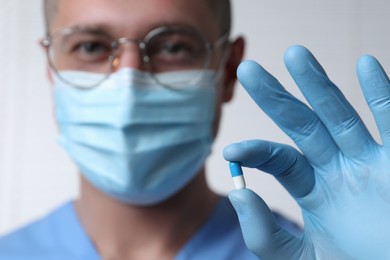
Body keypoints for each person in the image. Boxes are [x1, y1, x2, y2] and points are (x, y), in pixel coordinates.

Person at [0, 0, 300, 259]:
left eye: (172, 47)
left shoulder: (302, 253)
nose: (129, 82)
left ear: (228, 68)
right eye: (90, 46)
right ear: (50, 67)